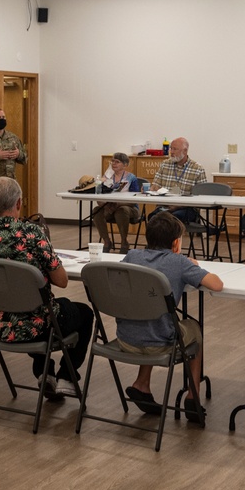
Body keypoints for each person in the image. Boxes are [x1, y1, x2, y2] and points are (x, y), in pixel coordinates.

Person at [0, 177, 93, 399]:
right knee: (83, 313)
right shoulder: (32, 234)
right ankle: (67, 377)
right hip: (36, 325)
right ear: (19, 204)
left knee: (30, 307)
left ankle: (44, 373)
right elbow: (62, 280)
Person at [119, 212, 223, 421]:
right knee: (194, 328)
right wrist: (193, 266)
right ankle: (193, 397)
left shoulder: (132, 256)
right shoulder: (179, 262)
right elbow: (217, 285)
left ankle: (142, 384)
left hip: (125, 338)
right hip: (159, 342)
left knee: (148, 314)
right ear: (176, 243)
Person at [91, 152, 142, 253]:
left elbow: (135, 199)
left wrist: (118, 204)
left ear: (125, 165)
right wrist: (103, 205)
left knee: (121, 211)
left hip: (129, 208)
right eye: (112, 161)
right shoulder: (106, 177)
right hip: (110, 209)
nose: (114, 163)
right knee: (96, 211)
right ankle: (106, 241)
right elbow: (98, 196)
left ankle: (124, 242)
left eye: (117, 162)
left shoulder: (131, 178)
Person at [149, 137, 206, 224]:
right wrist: (151, 189)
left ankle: (172, 238)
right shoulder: (165, 164)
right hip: (164, 206)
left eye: (175, 149)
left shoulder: (197, 168)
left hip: (186, 208)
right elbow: (155, 186)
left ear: (185, 151)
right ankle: (163, 237)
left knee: (171, 219)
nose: (171, 152)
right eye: (171, 148)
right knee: (152, 218)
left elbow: (202, 197)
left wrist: (179, 205)